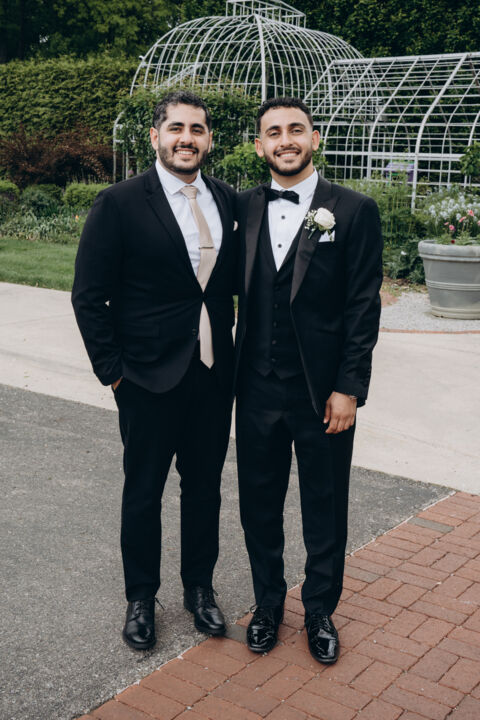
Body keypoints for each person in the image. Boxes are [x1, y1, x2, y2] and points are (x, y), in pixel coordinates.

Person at [72, 90, 237, 650]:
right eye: (176, 128)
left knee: (205, 490)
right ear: (155, 136)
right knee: (143, 492)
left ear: (208, 139)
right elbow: (88, 296)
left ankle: (200, 590)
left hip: (213, 375)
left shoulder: (226, 199)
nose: (186, 138)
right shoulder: (119, 203)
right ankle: (141, 597)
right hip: (145, 377)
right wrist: (113, 372)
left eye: (197, 129)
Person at [234, 97, 383, 664]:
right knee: (258, 503)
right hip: (255, 386)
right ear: (260, 146)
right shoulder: (244, 206)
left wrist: (349, 387)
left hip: (323, 393)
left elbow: (363, 305)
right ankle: (268, 603)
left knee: (325, 503)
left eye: (296, 129)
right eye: (273, 133)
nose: (286, 140)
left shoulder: (354, 209)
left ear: (314, 138)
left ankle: (320, 607)